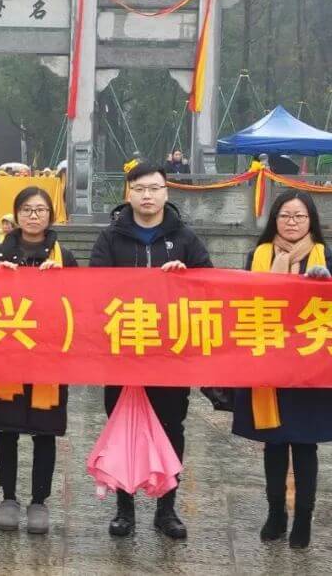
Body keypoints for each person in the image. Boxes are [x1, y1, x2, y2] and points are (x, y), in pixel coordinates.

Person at [89, 161, 212, 539]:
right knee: (123, 425)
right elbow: (93, 289)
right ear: (128, 192)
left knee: (172, 426)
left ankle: (167, 508)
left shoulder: (186, 238)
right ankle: (124, 509)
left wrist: (185, 278)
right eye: (140, 188)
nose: (147, 195)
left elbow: (209, 284)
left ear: (166, 192)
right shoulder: (110, 239)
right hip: (123, 351)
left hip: (170, 355)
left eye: (154, 188)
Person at [231, 191, 332, 549]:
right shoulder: (259, 256)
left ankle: (303, 519)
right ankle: (276, 512)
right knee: (275, 442)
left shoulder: (327, 256)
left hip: (312, 363)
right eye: (285, 216)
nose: (292, 222)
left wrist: (327, 287)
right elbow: (245, 302)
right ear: (274, 220)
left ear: (311, 220)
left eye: (299, 216)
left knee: (306, 444)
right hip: (270, 360)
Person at [0, 187, 77, 535]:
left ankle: (39, 501)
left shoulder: (66, 256)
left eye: (40, 210)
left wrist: (62, 280)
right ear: (16, 214)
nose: (34, 216)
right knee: (5, 430)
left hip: (49, 357)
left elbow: (81, 306)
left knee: (43, 431)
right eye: (27, 210)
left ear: (51, 215)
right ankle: (8, 496)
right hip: (6, 353)